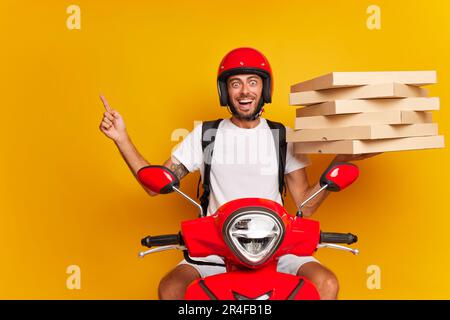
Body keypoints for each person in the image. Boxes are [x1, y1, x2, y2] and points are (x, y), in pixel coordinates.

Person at [99, 47, 379, 300]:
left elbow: (306, 203)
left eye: (252, 82)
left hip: (276, 247)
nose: (245, 91)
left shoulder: (282, 136)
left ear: (264, 89)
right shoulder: (206, 135)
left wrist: (342, 158)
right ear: (225, 91)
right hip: (215, 248)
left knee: (325, 283)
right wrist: (121, 138)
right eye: (236, 83)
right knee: (171, 288)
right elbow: (154, 183)